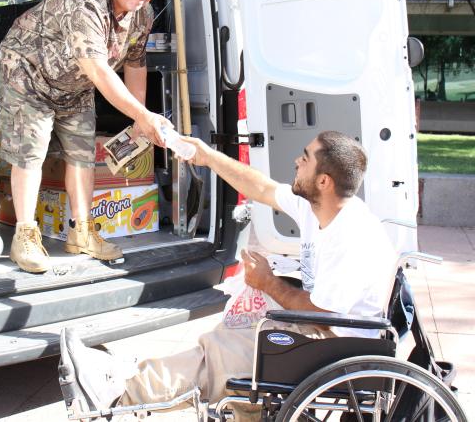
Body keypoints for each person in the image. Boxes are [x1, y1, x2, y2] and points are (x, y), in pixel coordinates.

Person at [60, 131, 398, 418]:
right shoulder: (319, 206)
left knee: (220, 357)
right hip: (324, 331)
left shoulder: (350, 236)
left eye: (305, 158)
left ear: (324, 181)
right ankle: (226, 403)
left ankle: (118, 395)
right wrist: (208, 157)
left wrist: (268, 282)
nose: (297, 161)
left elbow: (323, 316)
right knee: (234, 330)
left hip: (338, 347)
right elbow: (261, 188)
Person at [0, 0, 171, 273]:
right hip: (28, 72)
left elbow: (135, 65)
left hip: (73, 82)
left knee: (82, 152)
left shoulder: (142, 14)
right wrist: (142, 116)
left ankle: (81, 233)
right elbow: (98, 69)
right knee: (31, 150)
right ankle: (24, 236)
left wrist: (139, 121)